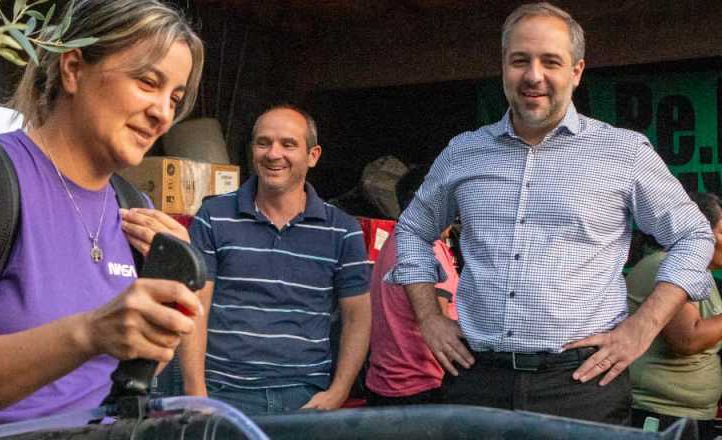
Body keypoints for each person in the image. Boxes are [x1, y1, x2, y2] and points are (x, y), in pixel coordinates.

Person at [0, 0, 206, 432]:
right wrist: (92, 332)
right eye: (146, 82)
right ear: (73, 69)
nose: (163, 113)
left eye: (174, 99)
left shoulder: (135, 209)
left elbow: (125, 375)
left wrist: (176, 280)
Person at [390, 2, 715, 425]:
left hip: (582, 383)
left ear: (576, 72)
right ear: (503, 67)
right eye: (520, 60)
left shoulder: (623, 152)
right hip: (476, 378)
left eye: (551, 61)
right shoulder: (464, 153)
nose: (533, 76)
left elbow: (693, 235)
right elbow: (412, 230)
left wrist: (644, 326)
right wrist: (429, 318)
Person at [188, 105, 372, 415]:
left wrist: (338, 392)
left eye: (288, 144)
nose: (274, 154)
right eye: (263, 142)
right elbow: (193, 309)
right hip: (225, 396)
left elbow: (358, 319)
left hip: (304, 400)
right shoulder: (213, 217)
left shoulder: (343, 230)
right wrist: (197, 396)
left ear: (313, 155)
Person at [627, 192, 722, 438]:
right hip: (661, 416)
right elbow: (687, 339)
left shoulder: (701, 275)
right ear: (698, 232)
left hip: (692, 415)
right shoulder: (663, 266)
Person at [365, 166, 458, 406]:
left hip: (383, 386)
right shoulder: (430, 249)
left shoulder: (392, 243)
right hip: (423, 389)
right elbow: (441, 328)